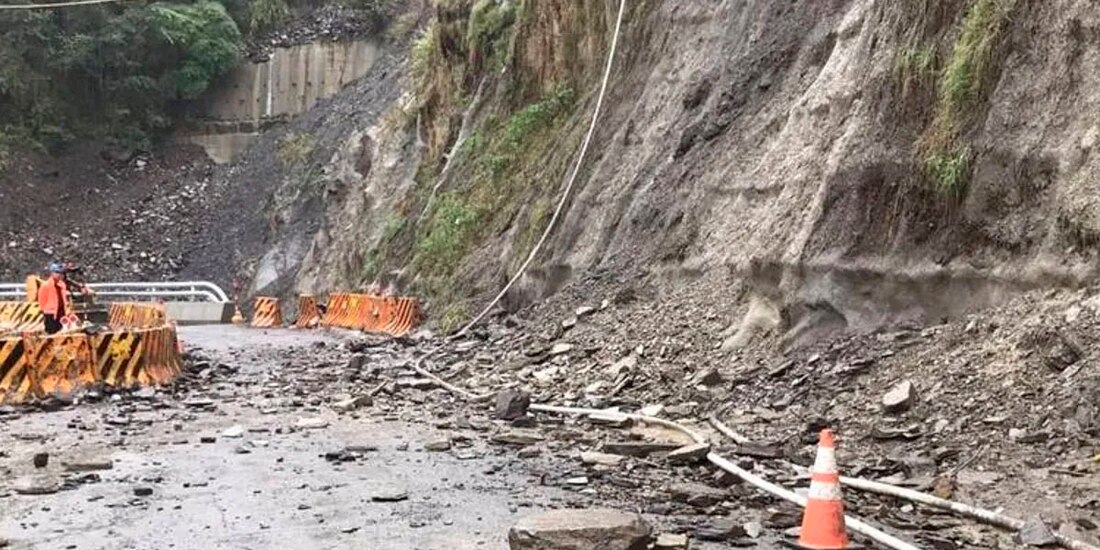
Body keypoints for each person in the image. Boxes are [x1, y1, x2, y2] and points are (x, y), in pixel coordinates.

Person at [37, 262, 71, 334]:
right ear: (52, 273)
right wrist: (45, 310)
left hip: (61, 312)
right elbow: (41, 300)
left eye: (61, 273)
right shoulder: (46, 285)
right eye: (57, 272)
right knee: (51, 333)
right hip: (50, 313)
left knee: (62, 332)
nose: (59, 275)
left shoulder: (62, 285)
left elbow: (64, 297)